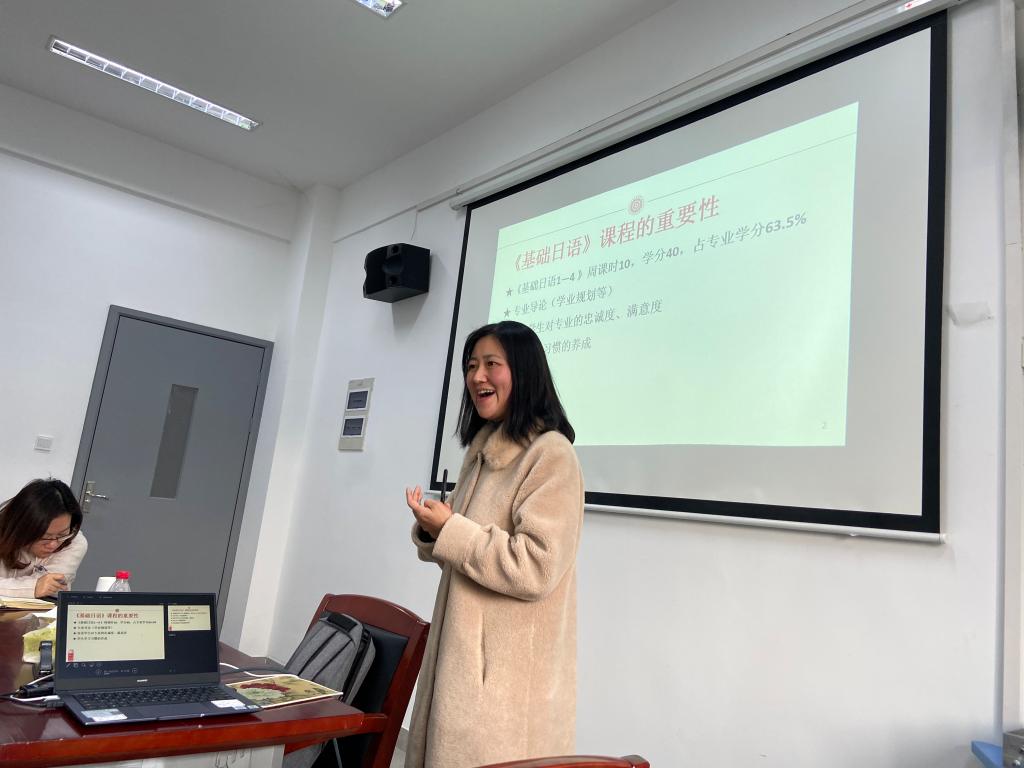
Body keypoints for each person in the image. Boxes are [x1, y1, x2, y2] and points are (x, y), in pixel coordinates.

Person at [403, 321, 585, 768]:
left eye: (491, 364)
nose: (477, 376)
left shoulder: (551, 455)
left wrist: (451, 529)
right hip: (461, 664)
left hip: (503, 686)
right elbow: (463, 549)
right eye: (471, 366)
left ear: (523, 371)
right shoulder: (484, 450)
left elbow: (536, 567)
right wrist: (433, 528)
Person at [0, 479, 88, 598]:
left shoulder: (74, 542)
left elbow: (50, 588)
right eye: (45, 537)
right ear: (21, 528)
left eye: (62, 534)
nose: (53, 545)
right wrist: (33, 587)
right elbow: (39, 587)